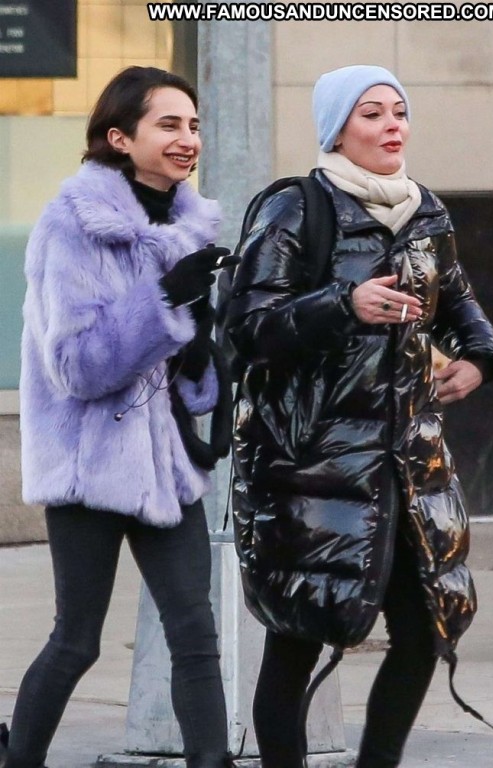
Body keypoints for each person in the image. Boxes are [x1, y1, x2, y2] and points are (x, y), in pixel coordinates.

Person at [224, 65, 493, 768]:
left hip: (409, 464)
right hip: (313, 466)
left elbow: (456, 298)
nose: (392, 126)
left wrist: (481, 356)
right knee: (298, 636)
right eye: (371, 114)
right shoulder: (295, 209)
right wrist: (342, 304)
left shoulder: (424, 211)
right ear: (337, 130)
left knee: (423, 634)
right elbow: (248, 328)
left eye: (398, 112)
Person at [0, 66, 239, 768]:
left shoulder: (189, 228)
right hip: (88, 467)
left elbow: (186, 379)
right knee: (77, 640)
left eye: (193, 125)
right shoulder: (72, 225)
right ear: (119, 137)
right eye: (168, 124)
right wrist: (162, 301)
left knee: (195, 633)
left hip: (164, 468)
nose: (187, 138)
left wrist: (203, 346)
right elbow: (76, 367)